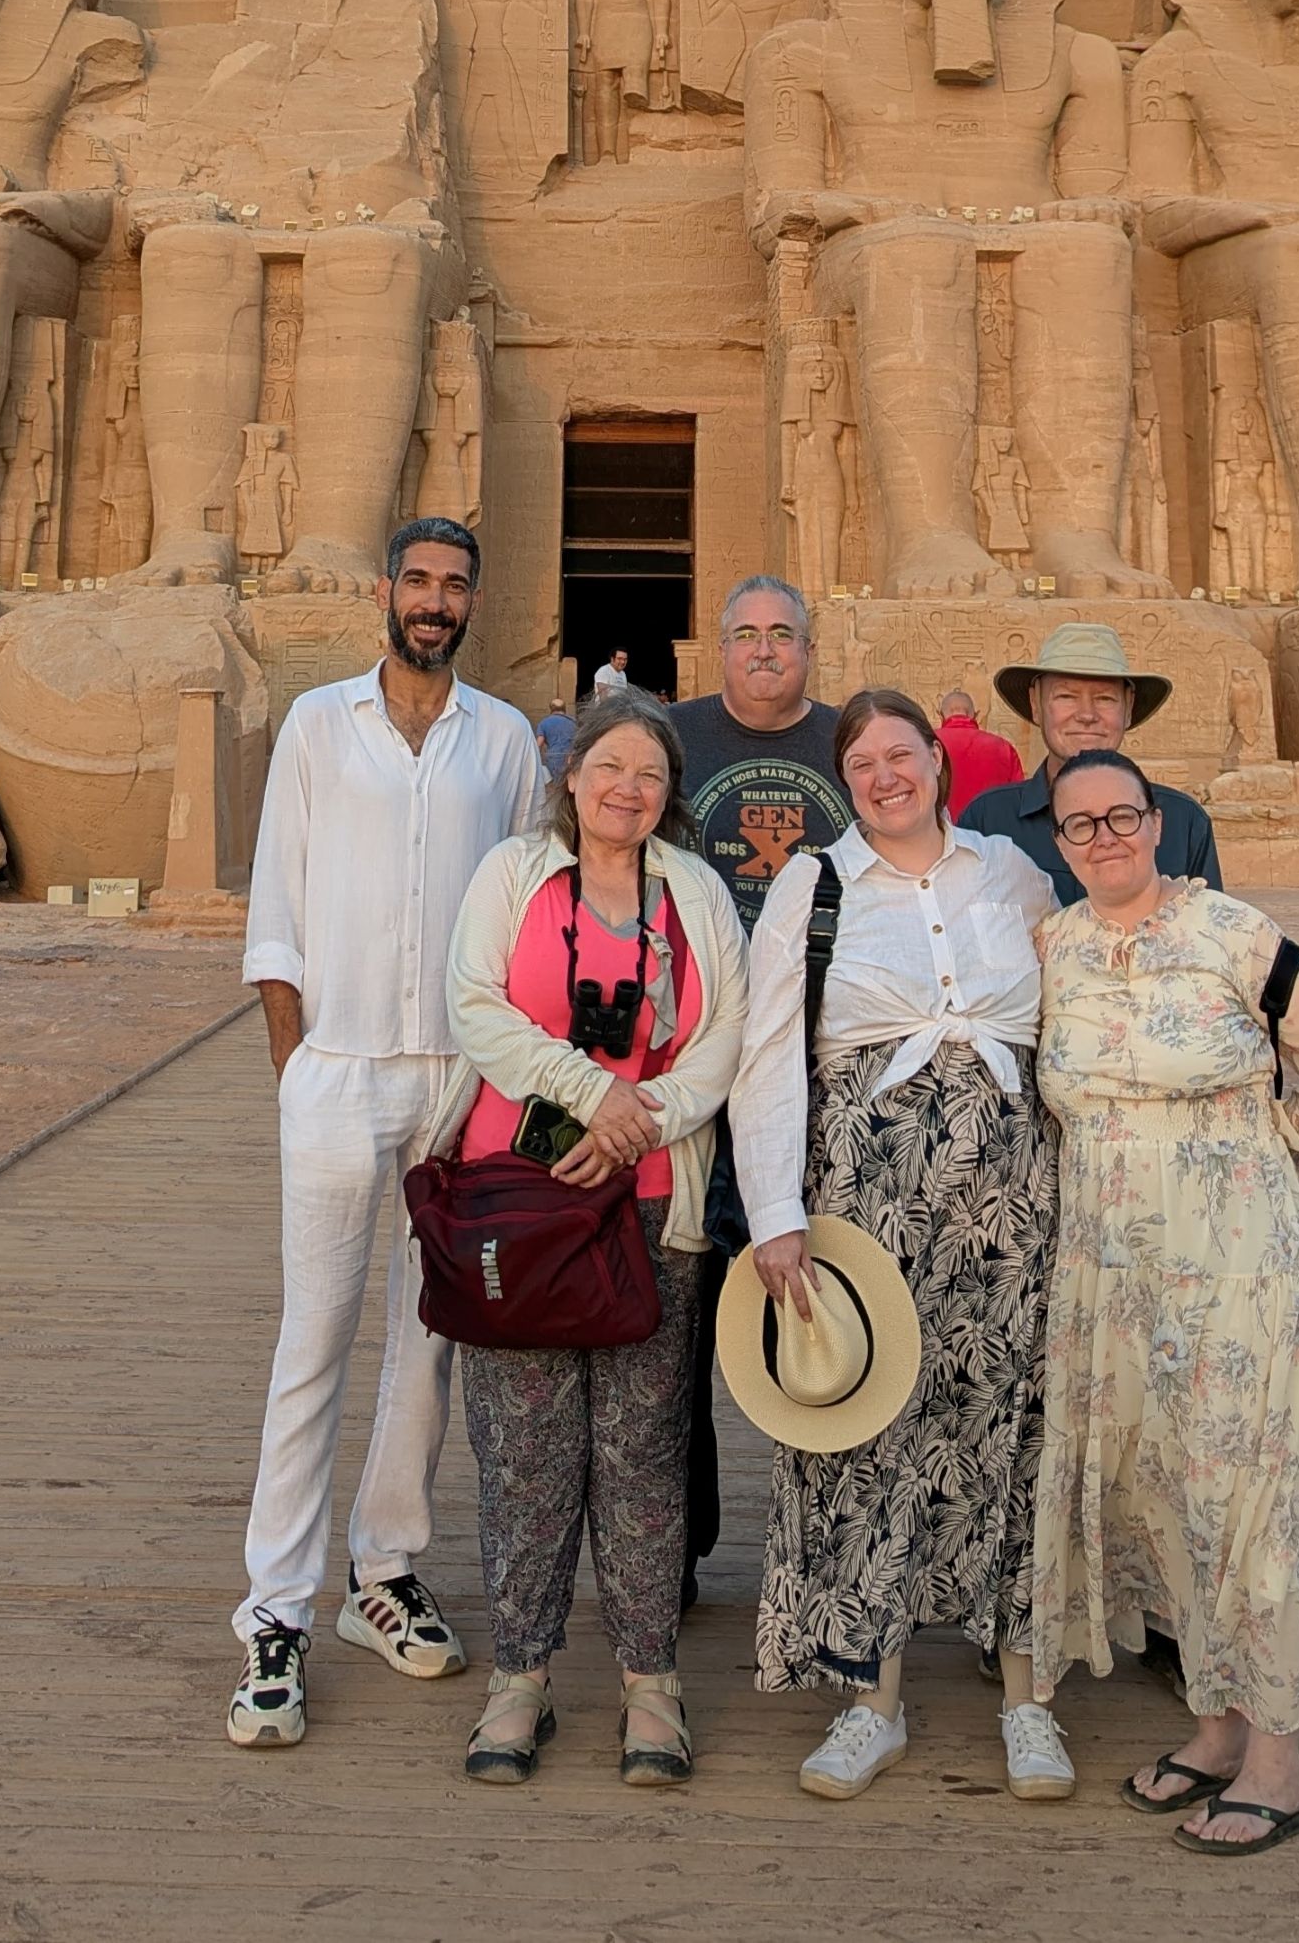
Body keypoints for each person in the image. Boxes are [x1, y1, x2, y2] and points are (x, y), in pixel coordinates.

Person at [1030, 748, 1299, 1856]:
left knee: (1259, 1502)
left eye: (1121, 816)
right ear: (1059, 841)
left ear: (1156, 822)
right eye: (1080, 824)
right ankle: (1217, 1730)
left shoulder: (1233, 932)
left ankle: (1278, 1763)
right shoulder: (1055, 946)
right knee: (1167, 1495)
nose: (1104, 838)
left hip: (1243, 1269)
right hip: (1117, 1280)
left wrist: (1271, 1146)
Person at [227, 516, 544, 1751]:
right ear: (385, 591)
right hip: (339, 1065)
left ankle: (384, 1568)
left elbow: (522, 908)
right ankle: (274, 1610)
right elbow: (277, 898)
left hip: (456, 1080)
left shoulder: (502, 739)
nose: (434, 601)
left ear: (473, 602)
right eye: (417, 580)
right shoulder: (320, 724)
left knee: (429, 1339)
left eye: (454, 585)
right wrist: (294, 1060)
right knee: (313, 1337)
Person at [732, 689, 1071, 1802]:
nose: (885, 775)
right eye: (863, 762)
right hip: (868, 1192)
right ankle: (869, 1702)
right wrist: (774, 1214)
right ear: (846, 782)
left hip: (1013, 1198)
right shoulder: (813, 886)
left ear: (937, 759)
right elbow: (768, 1053)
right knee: (862, 1427)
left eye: (901, 753)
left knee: (1013, 1426)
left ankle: (1026, 1697)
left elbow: (1072, 1018)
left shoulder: (1011, 874)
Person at [437, 688, 749, 1787]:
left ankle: (649, 1680)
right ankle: (519, 1675)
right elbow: (475, 1004)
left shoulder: (695, 892)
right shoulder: (512, 875)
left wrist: (642, 1121)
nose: (628, 788)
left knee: (643, 1447)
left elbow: (724, 1037)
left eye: (650, 774)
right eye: (609, 766)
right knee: (523, 1449)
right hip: (519, 1195)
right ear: (571, 776)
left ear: (670, 795)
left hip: (653, 1199)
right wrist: (592, 1094)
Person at [669, 575, 854, 1600]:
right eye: (745, 634)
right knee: (679, 1327)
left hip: (818, 1071)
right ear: (720, 648)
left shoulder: (847, 742)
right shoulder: (674, 737)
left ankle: (821, 1555)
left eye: (783, 633)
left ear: (809, 649)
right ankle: (677, 1546)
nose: (765, 649)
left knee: (818, 1314)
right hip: (693, 1063)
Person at [965, 623, 1220, 905]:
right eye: (1066, 696)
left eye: (1105, 698)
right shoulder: (988, 820)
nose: (1087, 715)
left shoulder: (1184, 823)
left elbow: (1211, 926)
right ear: (1036, 704)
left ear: (1128, 707)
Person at [935, 686, 1023, 818]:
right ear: (975, 715)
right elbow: (1019, 798)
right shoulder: (1003, 748)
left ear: (940, 715)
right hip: (990, 827)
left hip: (939, 828)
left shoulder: (926, 743)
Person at [535, 695, 576, 785]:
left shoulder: (544, 723)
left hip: (553, 759)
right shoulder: (573, 723)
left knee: (555, 786)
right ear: (564, 708)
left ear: (551, 709)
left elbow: (538, 745)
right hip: (570, 758)